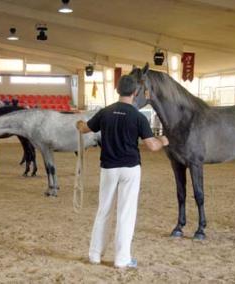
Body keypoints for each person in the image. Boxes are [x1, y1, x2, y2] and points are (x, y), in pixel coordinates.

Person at [76, 75, 169, 269]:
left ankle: (94, 255)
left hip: (108, 168)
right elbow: (151, 146)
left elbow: (85, 129)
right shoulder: (138, 116)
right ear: (135, 92)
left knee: (104, 210)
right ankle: (122, 259)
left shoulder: (105, 112)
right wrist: (163, 140)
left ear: (117, 90)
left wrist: (78, 123)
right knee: (126, 213)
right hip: (130, 168)